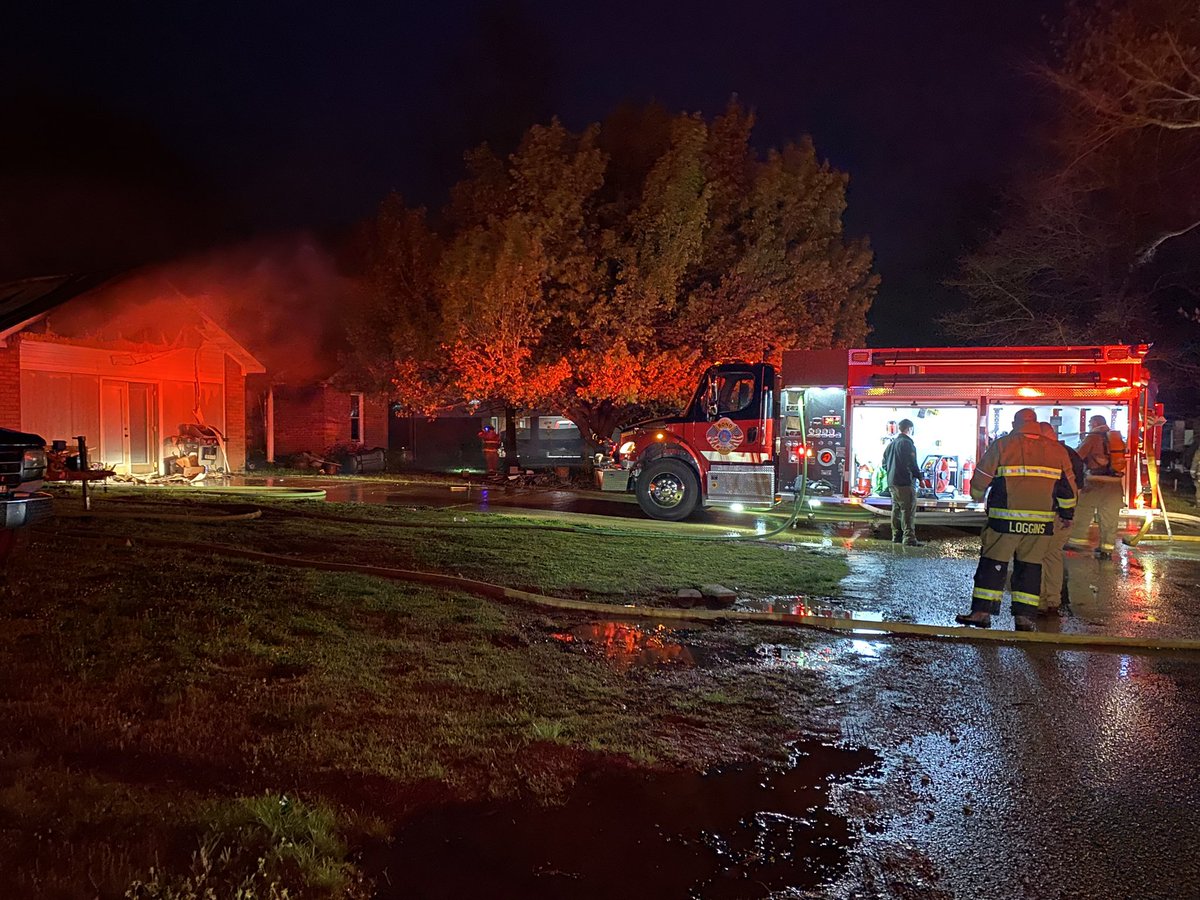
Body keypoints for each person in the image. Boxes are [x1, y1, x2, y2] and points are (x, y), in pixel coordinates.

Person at [955, 408, 1077, 632]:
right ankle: (1024, 619)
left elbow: (982, 476)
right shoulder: (1056, 450)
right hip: (1041, 524)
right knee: (1030, 568)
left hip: (1004, 521)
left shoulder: (1002, 445)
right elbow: (1068, 489)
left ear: (1015, 423)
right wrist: (1067, 514)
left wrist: (976, 494)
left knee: (993, 565)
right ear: (1036, 423)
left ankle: (981, 613)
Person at [1038, 422, 1087, 617]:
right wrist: (1069, 514)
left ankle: (1041, 601)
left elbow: (1062, 487)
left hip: (1051, 514)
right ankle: (1053, 600)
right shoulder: (1071, 454)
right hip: (1063, 514)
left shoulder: (1048, 454)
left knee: (1039, 556)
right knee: (1053, 555)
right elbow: (1077, 488)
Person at [1066, 415, 1127, 559]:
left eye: (1089, 423)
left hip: (1095, 482)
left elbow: (1078, 456)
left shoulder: (1092, 438)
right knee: (1110, 518)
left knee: (1083, 511)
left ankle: (1076, 541)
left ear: (1094, 423)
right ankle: (1107, 549)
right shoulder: (1116, 439)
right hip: (1115, 485)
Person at [881, 418, 925, 546]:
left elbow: (884, 464)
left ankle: (896, 536)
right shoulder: (907, 443)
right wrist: (920, 478)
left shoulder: (891, 445)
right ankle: (909, 538)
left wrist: (892, 473)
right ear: (909, 429)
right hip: (905, 482)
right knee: (908, 510)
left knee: (897, 509)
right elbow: (912, 463)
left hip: (892, 483)